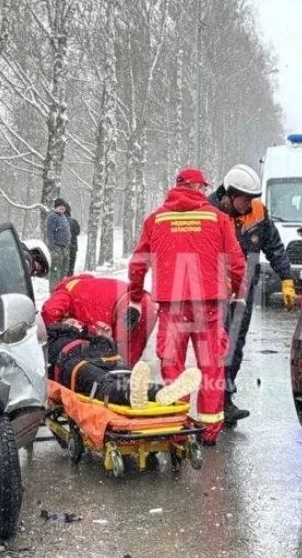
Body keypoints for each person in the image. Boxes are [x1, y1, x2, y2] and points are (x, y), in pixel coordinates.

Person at [128, 167, 246, 445]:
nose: (205, 192)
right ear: (197, 187)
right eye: (203, 188)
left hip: (172, 305)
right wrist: (237, 292)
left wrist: (134, 295)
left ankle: (178, 427)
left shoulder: (156, 220)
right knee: (211, 366)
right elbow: (237, 262)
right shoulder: (217, 218)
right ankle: (209, 431)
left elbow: (138, 263)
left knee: (172, 364)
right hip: (210, 305)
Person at [209, 163, 296, 426]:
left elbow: (274, 246)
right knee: (216, 346)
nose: (248, 204)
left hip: (244, 290)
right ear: (229, 194)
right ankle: (212, 401)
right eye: (244, 198)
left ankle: (225, 399)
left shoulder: (257, 213)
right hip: (215, 291)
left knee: (235, 346)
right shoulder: (209, 213)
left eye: (251, 198)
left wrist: (287, 278)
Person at [46, 319, 201, 410]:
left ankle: (161, 392)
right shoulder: (52, 336)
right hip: (73, 363)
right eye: (70, 320)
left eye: (77, 321)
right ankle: (128, 395)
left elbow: (109, 350)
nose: (75, 322)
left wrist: (106, 338)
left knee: (129, 376)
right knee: (102, 382)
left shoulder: (88, 336)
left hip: (103, 358)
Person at [42, 273, 155, 367]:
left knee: (122, 371)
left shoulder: (63, 291)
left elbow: (49, 313)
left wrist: (53, 332)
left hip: (127, 313)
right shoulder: (85, 286)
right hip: (145, 301)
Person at [45, 199, 72, 289]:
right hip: (56, 248)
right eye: (60, 206)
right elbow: (49, 233)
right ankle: (53, 290)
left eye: (63, 206)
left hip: (65, 248)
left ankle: (61, 288)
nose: (62, 208)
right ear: (56, 207)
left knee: (64, 271)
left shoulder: (63, 216)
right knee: (55, 270)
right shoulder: (52, 217)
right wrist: (53, 246)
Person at [65, 204, 81, 278]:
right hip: (73, 247)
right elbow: (78, 232)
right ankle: (69, 280)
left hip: (63, 247)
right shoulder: (74, 221)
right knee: (71, 267)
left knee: (62, 267)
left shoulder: (59, 221)